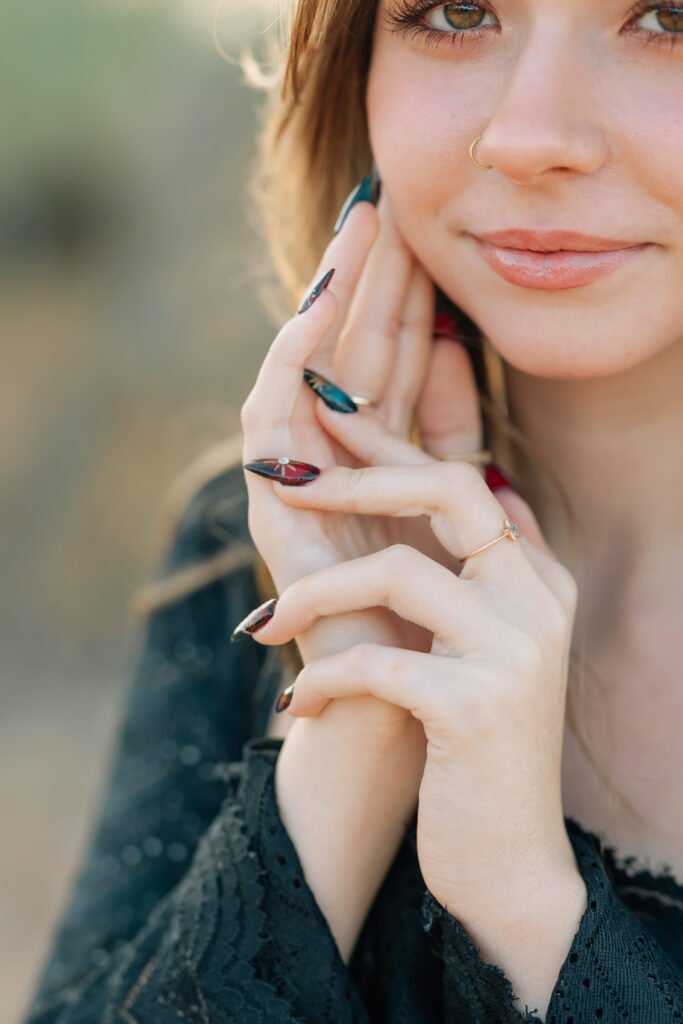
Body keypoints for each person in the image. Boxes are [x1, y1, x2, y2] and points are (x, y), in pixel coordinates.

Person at [23, 1, 683, 1022]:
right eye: (455, 10)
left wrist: (529, 912)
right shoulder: (264, 548)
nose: (526, 134)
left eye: (668, 16)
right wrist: (349, 747)